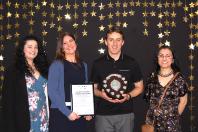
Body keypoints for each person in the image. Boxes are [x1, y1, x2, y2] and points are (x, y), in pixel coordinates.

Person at [91, 26, 144, 132]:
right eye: (111, 40)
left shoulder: (132, 62)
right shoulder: (97, 64)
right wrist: (102, 95)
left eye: (118, 40)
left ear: (122, 42)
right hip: (103, 115)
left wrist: (128, 96)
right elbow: (93, 88)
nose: (114, 44)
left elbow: (140, 87)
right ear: (106, 42)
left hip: (126, 114)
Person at [2, 35, 49, 132]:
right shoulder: (13, 71)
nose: (33, 49)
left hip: (44, 120)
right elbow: (7, 103)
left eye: (36, 47)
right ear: (22, 49)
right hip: (24, 122)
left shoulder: (43, 68)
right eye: (29, 46)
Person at [48, 32, 91, 132]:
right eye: (65, 43)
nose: (69, 45)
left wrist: (88, 111)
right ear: (61, 48)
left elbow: (85, 88)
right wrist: (67, 112)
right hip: (61, 113)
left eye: (71, 41)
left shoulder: (83, 65)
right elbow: (52, 91)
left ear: (75, 43)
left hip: (79, 114)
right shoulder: (56, 65)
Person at [144, 45, 188, 132]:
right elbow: (150, 102)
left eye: (168, 56)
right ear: (157, 59)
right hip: (152, 124)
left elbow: (183, 101)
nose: (164, 58)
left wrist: (173, 118)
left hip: (171, 125)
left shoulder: (179, 79)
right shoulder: (152, 77)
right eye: (161, 55)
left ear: (172, 59)